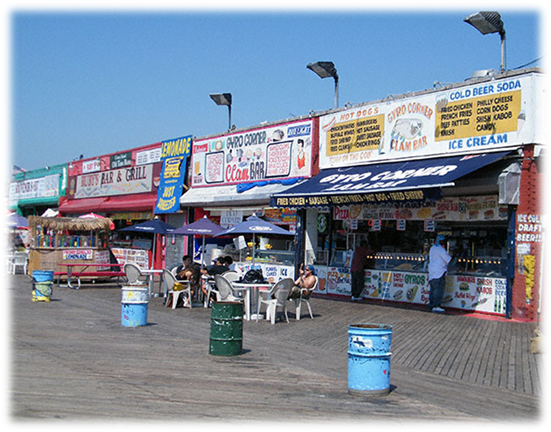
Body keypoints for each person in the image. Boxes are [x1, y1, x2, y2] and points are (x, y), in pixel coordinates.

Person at [428, 234, 452, 313]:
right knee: (438, 290)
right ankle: (436, 306)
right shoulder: (441, 249)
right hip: (439, 271)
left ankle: (431, 305)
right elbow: (448, 259)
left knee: (433, 289)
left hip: (432, 272)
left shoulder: (432, 248)